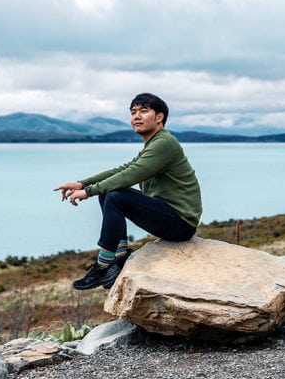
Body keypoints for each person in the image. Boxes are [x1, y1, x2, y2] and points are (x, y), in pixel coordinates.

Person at [54, 93, 203, 290]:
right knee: (108, 193)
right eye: (133, 112)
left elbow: (130, 175)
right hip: (170, 216)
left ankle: (103, 264)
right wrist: (83, 184)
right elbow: (123, 170)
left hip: (181, 223)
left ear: (159, 117)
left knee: (116, 196)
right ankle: (120, 254)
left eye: (144, 111)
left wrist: (88, 191)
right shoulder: (155, 143)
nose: (136, 117)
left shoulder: (164, 143)